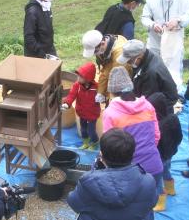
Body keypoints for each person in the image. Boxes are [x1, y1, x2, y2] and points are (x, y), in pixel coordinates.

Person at [102, 66, 164, 212]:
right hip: (154, 166)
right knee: (146, 209)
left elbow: (109, 146)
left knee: (127, 210)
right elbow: (156, 136)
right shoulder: (148, 106)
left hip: (128, 173)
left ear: (112, 91)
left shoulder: (111, 112)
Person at [67, 128, 157, 220]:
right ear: (132, 154)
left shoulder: (88, 181)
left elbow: (74, 204)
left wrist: (94, 171)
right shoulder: (148, 181)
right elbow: (152, 203)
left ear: (101, 155)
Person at [141, 0, 189, 91]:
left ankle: (174, 96)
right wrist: (153, 25)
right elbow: (144, 18)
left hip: (174, 42)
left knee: (174, 72)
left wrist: (178, 20)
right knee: (152, 69)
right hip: (154, 42)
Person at [117, 39, 178, 113]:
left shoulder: (151, 72)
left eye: (129, 61)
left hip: (160, 109)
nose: (128, 63)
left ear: (138, 57)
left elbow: (146, 100)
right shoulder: (148, 54)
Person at [147, 92, 182, 211]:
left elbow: (154, 143)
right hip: (170, 153)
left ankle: (160, 202)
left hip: (159, 156)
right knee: (167, 170)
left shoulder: (156, 125)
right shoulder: (173, 117)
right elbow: (179, 136)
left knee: (157, 179)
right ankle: (171, 189)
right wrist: (174, 148)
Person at [82, 30, 131, 103]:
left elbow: (118, 82)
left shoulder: (119, 54)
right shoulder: (106, 49)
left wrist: (113, 101)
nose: (96, 55)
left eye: (95, 52)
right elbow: (106, 72)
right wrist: (100, 92)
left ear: (102, 43)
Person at [62, 62, 101, 150]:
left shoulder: (96, 87)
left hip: (92, 114)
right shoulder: (77, 86)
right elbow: (71, 95)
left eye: (81, 76)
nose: (78, 78)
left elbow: (102, 96)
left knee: (91, 131)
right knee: (83, 130)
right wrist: (67, 103)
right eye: (78, 75)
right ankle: (86, 143)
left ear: (88, 79)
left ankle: (94, 143)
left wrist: (102, 97)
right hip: (82, 113)